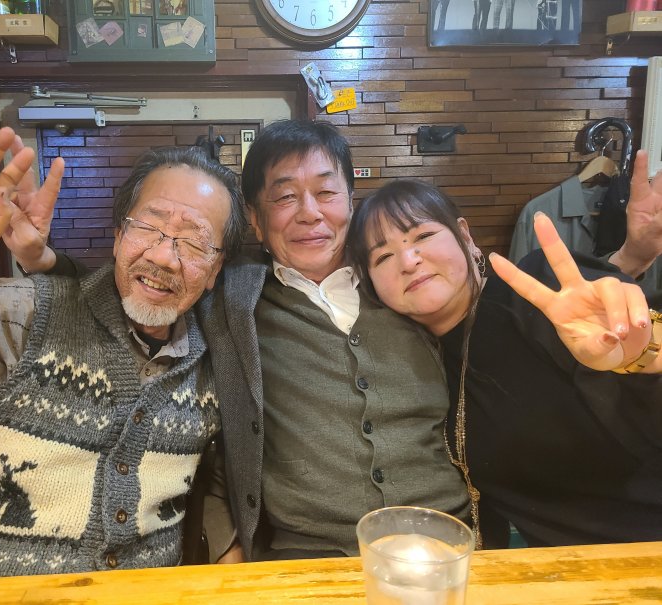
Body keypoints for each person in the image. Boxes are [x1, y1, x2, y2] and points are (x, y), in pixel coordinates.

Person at [26, 120, 471, 561]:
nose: (310, 213)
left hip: (450, 543)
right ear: (256, 220)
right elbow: (141, 283)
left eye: (326, 192)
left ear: (350, 202)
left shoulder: (398, 282)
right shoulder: (231, 296)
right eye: (284, 197)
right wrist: (46, 262)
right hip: (307, 558)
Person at [0, 127, 247, 578]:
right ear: (118, 237)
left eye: (194, 242)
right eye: (148, 226)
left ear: (215, 269)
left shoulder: (216, 357)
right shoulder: (21, 316)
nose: (163, 256)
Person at [346, 149, 662, 548]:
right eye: (383, 256)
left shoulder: (538, 288)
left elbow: (636, 336)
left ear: (464, 235)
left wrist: (639, 355)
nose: (408, 261)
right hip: (557, 568)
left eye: (422, 236)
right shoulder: (411, 359)